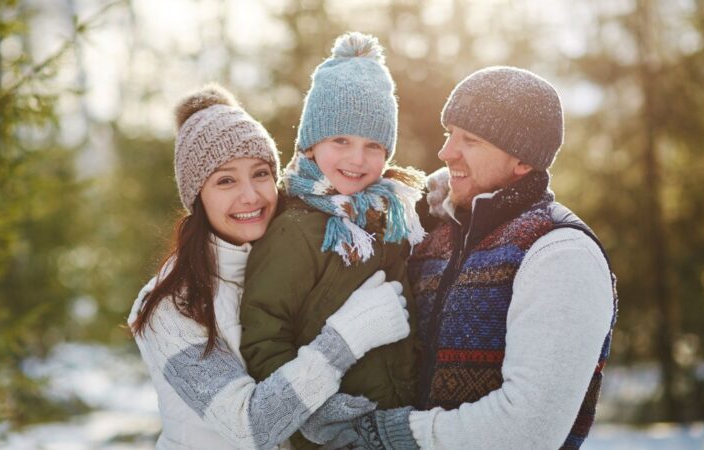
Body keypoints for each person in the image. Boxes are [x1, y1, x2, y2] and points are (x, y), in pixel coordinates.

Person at [305, 66, 618, 449]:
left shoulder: (560, 254)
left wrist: (387, 433)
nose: (445, 151)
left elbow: (528, 431)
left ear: (522, 161)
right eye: (448, 133)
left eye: (470, 140)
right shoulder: (433, 230)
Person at [127, 84, 412, 450]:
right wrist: (347, 337)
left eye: (261, 173)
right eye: (226, 180)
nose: (250, 195)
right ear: (197, 195)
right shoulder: (170, 306)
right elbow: (250, 427)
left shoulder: (290, 261)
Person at [239, 32, 425, 449]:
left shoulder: (389, 216)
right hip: (327, 435)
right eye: (341, 140)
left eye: (373, 146)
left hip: (392, 425)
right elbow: (263, 337)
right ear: (310, 144)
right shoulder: (295, 230)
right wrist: (317, 415)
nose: (357, 159)